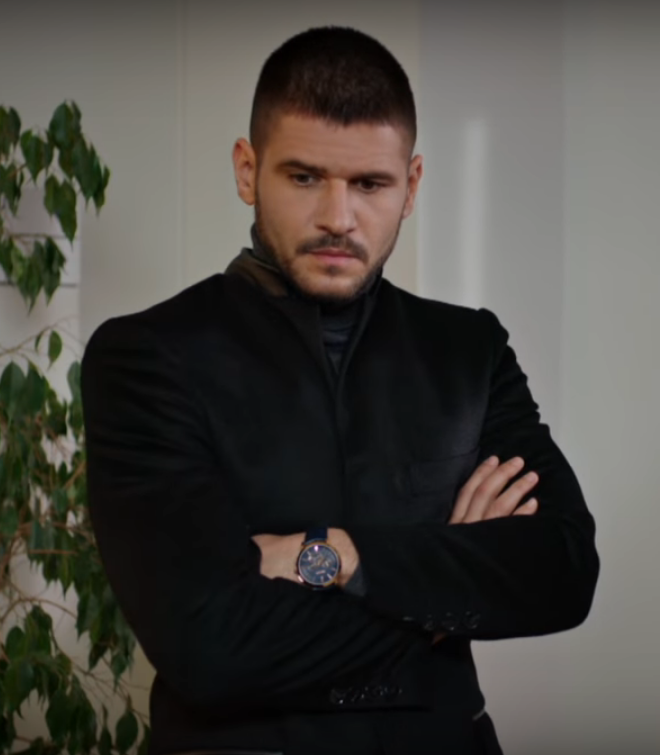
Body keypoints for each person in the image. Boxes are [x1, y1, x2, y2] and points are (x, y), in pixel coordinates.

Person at [80, 26, 599, 755]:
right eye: (304, 177)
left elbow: (563, 572)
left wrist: (338, 556)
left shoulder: (469, 349)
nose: (338, 217)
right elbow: (209, 644)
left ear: (411, 185)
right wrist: (449, 583)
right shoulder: (146, 355)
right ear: (247, 170)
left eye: (370, 184)